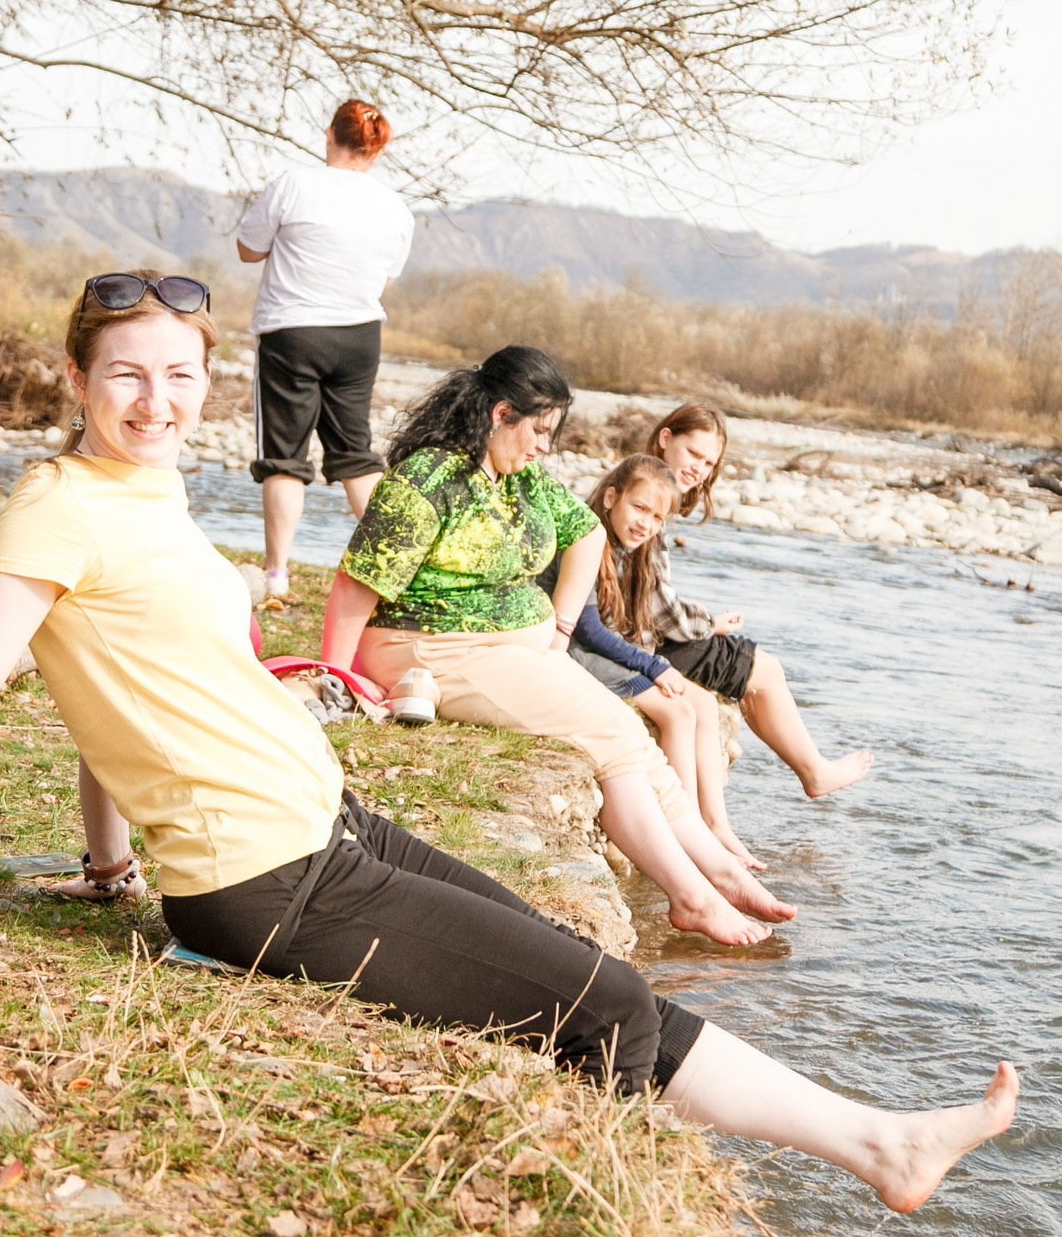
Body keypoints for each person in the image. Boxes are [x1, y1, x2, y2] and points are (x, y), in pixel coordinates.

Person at [0, 271, 1019, 1217]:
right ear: (76, 377)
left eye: (180, 375)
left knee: (574, 964)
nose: (155, 398)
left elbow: (116, 693)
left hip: (324, 827)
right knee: (601, 1003)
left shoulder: (147, 488)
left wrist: (108, 862)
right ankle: (878, 1150)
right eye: (125, 373)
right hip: (267, 879)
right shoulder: (58, 506)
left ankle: (753, 1140)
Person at [319, 347, 789, 948]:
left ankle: (719, 872)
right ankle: (692, 899)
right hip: (431, 647)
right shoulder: (429, 479)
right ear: (499, 413)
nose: (544, 446)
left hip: (509, 650)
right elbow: (354, 585)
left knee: (628, 733)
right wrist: (331, 673)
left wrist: (561, 628)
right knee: (610, 733)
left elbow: (588, 533)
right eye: (538, 431)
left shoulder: (521, 478)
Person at [537, 455, 762, 869]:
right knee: (675, 713)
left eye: (657, 518)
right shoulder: (586, 538)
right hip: (576, 652)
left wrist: (653, 661)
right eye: (638, 508)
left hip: (600, 648)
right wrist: (653, 666)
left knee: (703, 704)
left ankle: (714, 824)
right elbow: (587, 630)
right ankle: (689, 830)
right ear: (611, 498)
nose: (646, 524)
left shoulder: (629, 548)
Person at [643, 402, 873, 798]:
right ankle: (814, 773)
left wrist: (702, 619)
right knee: (764, 669)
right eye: (693, 454)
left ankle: (804, 773)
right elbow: (656, 610)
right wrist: (708, 623)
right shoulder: (646, 493)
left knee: (755, 665)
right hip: (639, 640)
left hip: (640, 629)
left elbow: (651, 592)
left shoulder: (647, 486)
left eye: (709, 463)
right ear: (666, 439)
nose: (699, 468)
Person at [236, 99, 416, 599]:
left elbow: (248, 250)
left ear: (328, 135)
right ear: (377, 150)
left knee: (285, 457)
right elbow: (384, 276)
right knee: (355, 453)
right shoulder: (396, 208)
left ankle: (276, 576)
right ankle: (397, 570)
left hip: (292, 332)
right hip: (359, 335)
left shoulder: (293, 185)